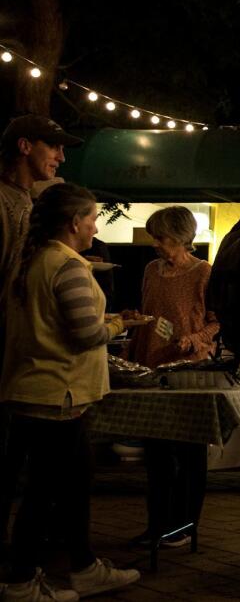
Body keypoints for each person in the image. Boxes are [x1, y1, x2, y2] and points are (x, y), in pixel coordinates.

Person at [2, 182, 140, 601]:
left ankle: (82, 567)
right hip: (59, 395)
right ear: (74, 222)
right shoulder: (67, 265)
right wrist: (119, 324)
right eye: (93, 218)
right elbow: (85, 334)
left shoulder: (32, 261)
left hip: (33, 390)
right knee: (44, 495)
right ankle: (22, 583)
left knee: (70, 486)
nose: (95, 227)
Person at [0, 114, 80, 561]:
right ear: (25, 146)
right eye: (54, 146)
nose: (61, 156)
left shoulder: (28, 202)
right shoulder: (2, 200)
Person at [125, 206, 220, 550]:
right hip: (152, 367)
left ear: (181, 237)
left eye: (161, 237)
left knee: (189, 451)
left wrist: (194, 339)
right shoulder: (151, 270)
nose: (156, 245)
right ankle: (157, 524)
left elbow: (215, 320)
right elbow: (150, 312)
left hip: (187, 370)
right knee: (157, 453)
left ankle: (184, 525)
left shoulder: (203, 273)